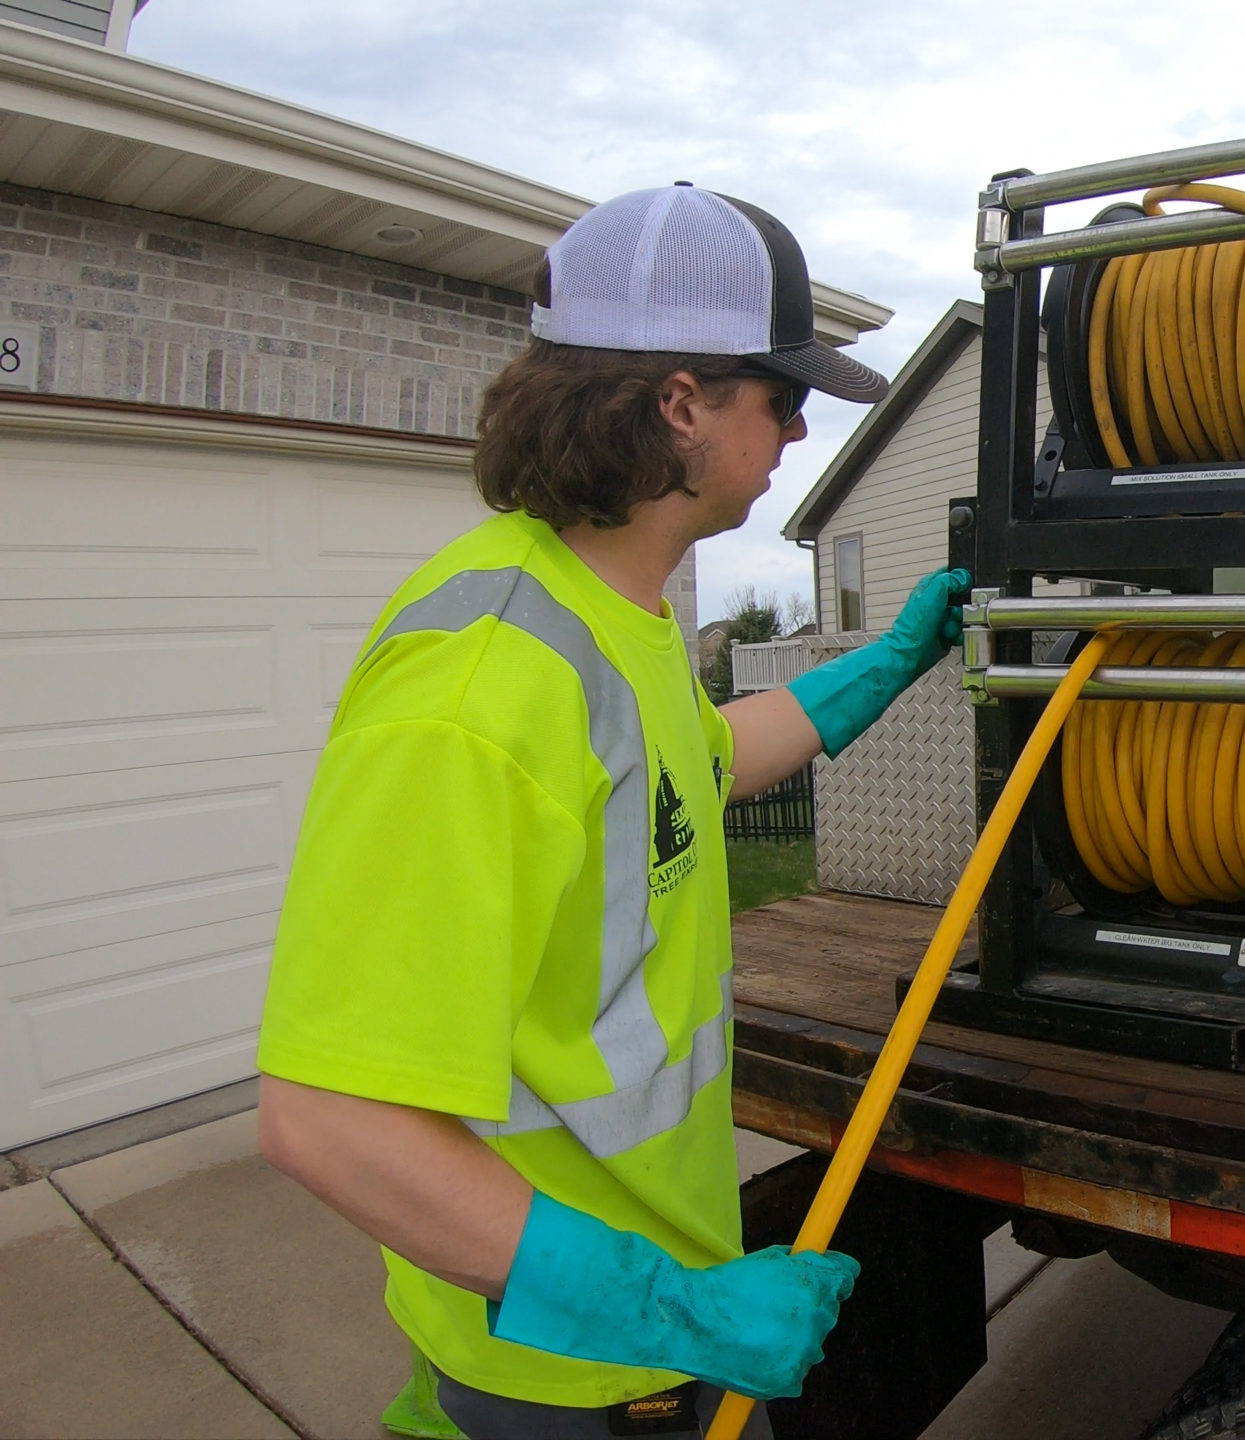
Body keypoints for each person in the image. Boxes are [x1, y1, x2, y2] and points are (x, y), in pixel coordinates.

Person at [254, 184, 968, 1439]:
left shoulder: (613, 618)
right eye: (779, 395)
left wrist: (892, 659)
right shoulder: (480, 687)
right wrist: (679, 1314)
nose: (799, 428)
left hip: (628, 1324)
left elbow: (702, 764)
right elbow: (331, 1120)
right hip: (569, 1368)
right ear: (681, 403)